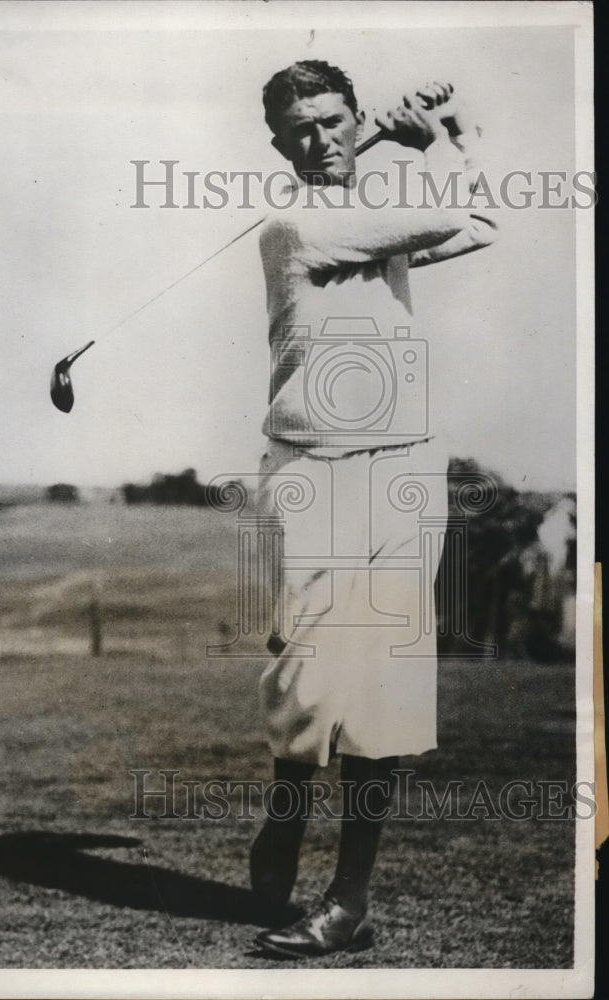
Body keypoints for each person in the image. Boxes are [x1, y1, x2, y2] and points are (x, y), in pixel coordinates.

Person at [249, 60, 498, 958]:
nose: (317, 139)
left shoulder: (360, 218)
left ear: (350, 119)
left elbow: (479, 225)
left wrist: (416, 138)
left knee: (382, 687)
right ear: (277, 142)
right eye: (300, 128)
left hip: (399, 466)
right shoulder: (300, 221)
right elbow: (447, 205)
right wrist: (429, 137)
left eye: (332, 121)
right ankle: (287, 807)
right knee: (306, 679)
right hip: (311, 468)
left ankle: (346, 902)